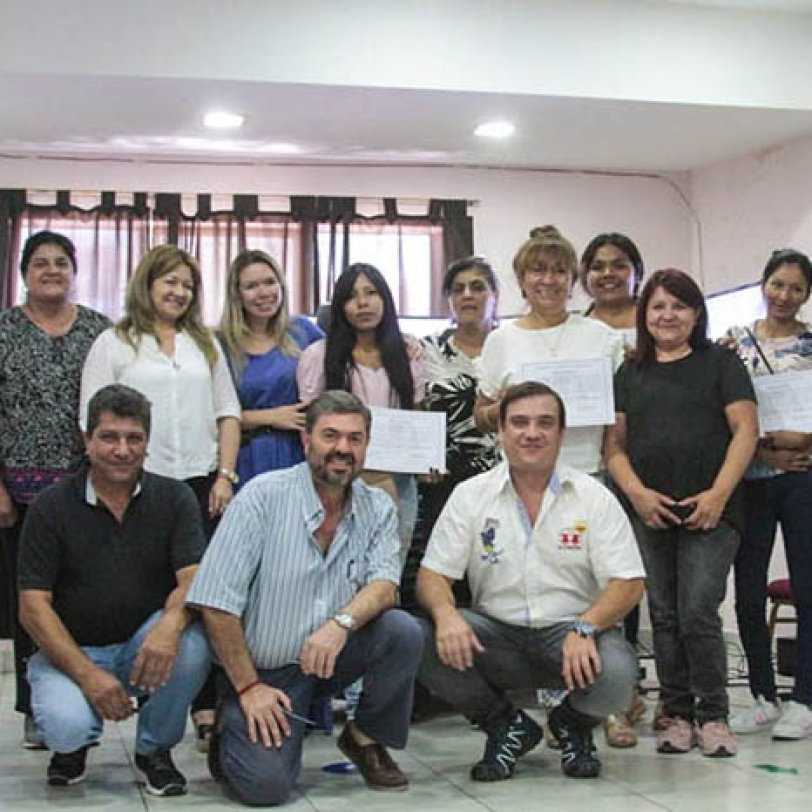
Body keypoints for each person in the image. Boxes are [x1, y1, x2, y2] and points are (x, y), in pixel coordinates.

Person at [186, 391, 423, 806]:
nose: (343, 449)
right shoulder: (262, 497)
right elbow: (216, 604)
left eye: (355, 438)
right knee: (267, 789)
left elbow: (385, 585)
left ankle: (365, 739)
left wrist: (339, 625)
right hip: (265, 672)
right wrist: (249, 687)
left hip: (332, 656)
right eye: (330, 436)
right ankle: (231, 727)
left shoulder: (377, 506)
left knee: (402, 630)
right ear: (306, 441)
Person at [417, 381, 645, 781]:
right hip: (497, 638)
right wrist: (446, 613)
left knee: (620, 672)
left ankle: (572, 724)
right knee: (415, 637)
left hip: (572, 637)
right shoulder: (472, 495)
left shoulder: (593, 496)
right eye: (519, 423)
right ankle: (505, 725)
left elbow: (628, 581)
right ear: (501, 432)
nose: (531, 433)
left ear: (561, 433)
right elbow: (433, 574)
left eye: (545, 423)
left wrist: (585, 625)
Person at [80, 244, 240, 746]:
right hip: (135, 484)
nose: (178, 291)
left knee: (203, 597)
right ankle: (144, 692)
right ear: (147, 284)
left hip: (198, 484)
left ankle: (205, 706)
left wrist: (224, 475)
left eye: (188, 285)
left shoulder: (204, 345)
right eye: (169, 281)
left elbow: (227, 412)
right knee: (148, 591)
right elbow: (91, 415)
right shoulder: (114, 342)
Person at [18, 384, 211, 795]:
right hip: (73, 651)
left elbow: (193, 579)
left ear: (146, 442)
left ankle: (154, 751)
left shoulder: (175, 498)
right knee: (65, 726)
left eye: (134, 438)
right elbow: (32, 608)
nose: (122, 450)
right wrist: (89, 676)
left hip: (142, 647)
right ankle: (73, 748)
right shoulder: (50, 507)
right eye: (109, 437)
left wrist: (169, 627)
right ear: (87, 440)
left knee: (193, 643)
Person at [605, 269, 758, 758]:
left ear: (696, 313)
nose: (668, 315)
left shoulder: (722, 364)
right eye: (657, 306)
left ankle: (714, 715)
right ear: (644, 315)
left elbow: (746, 433)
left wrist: (717, 495)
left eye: (679, 305)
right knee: (664, 615)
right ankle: (676, 714)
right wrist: (638, 496)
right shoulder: (629, 373)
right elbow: (615, 449)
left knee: (697, 611)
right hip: (651, 512)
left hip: (712, 512)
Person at [0, 230, 110, 748]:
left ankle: (79, 697)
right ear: (23, 272)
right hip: (18, 496)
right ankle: (34, 707)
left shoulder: (98, 330)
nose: (51, 271)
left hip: (85, 491)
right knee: (32, 604)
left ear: (73, 270)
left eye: (61, 262)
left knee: (79, 600)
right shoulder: (3, 330)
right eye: (40, 262)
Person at [725, 249, 812, 740]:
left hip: (803, 476)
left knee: (807, 583)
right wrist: (764, 451)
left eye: (796, 288)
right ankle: (762, 694)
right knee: (749, 585)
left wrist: (802, 444)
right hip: (751, 478)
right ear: (764, 284)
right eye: (777, 284)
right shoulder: (733, 344)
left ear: (806, 294)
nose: (785, 295)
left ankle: (804, 698)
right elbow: (724, 414)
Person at [297, 262, 426, 562]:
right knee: (335, 565)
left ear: (386, 300)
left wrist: (427, 459)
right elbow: (307, 419)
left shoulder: (409, 353)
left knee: (388, 566)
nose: (363, 303)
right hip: (336, 478)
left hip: (397, 481)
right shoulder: (318, 355)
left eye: (371, 293)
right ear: (341, 306)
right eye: (352, 296)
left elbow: (417, 416)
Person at [475, 225, 623, 476]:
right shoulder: (501, 340)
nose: (548, 280)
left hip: (588, 475)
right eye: (537, 270)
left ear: (572, 280)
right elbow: (480, 418)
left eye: (559, 271)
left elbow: (622, 419)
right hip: (520, 476)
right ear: (522, 279)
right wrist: (509, 406)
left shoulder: (602, 336)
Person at [581, 232, 647, 746]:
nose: (608, 273)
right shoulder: (575, 333)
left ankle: (641, 688)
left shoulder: (659, 325)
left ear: (635, 271)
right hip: (594, 469)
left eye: (618, 265)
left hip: (653, 472)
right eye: (598, 265)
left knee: (647, 586)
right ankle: (608, 699)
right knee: (600, 583)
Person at [218, 249, 323, 486]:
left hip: (298, 454)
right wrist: (269, 417)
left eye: (270, 282)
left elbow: (348, 354)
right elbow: (208, 415)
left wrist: (403, 343)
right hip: (243, 457)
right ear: (237, 294)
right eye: (252, 286)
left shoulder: (303, 331)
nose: (264, 292)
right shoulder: (220, 344)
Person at [420, 256, 500, 536]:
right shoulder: (426, 351)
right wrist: (422, 457)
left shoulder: (514, 344)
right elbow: (415, 409)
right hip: (444, 480)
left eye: (477, 288)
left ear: (494, 296)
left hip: (509, 478)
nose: (467, 295)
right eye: (458, 289)